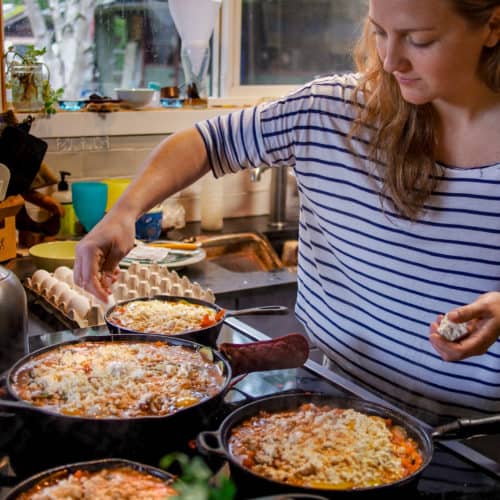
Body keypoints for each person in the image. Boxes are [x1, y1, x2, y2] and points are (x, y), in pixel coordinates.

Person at [75, 0, 500, 420]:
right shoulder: (331, 111)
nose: (390, 61)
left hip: (479, 441)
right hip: (335, 411)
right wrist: (123, 213)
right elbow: (205, 142)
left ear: (493, 26)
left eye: (420, 40)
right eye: (380, 32)